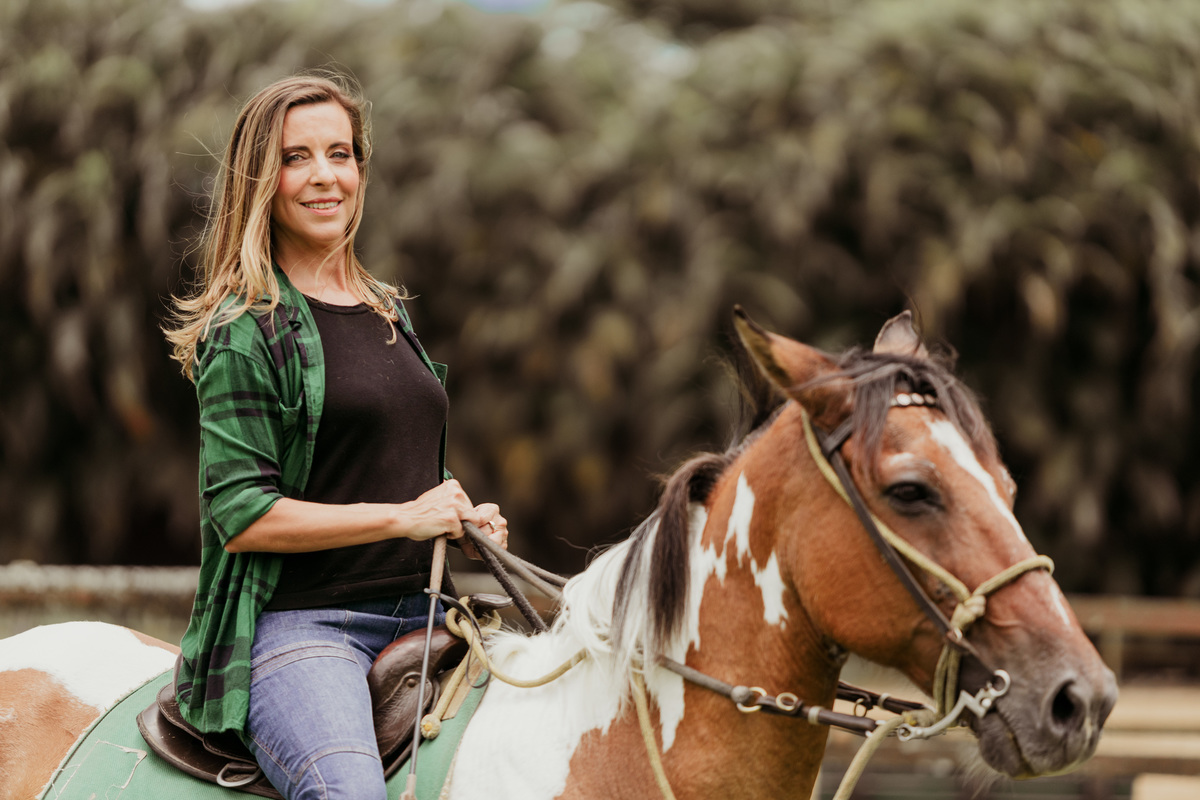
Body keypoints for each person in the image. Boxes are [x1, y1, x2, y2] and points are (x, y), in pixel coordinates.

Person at [163, 72, 508, 800]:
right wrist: (403, 518)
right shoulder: (244, 330)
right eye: (297, 158)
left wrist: (461, 521)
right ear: (261, 182)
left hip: (430, 614)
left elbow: (386, 468)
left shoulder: (386, 309)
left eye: (340, 154)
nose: (325, 175)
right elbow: (241, 515)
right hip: (305, 630)